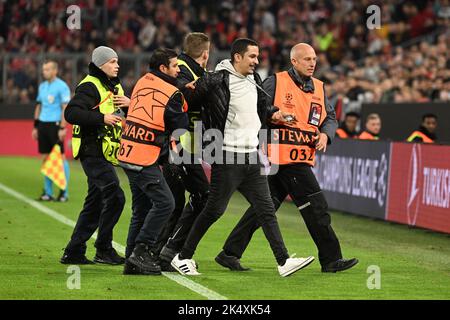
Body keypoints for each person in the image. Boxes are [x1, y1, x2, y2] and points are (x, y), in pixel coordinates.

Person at [171, 38, 315, 277]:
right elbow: (185, 101)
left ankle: (283, 261)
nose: (256, 61)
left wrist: (276, 114)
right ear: (237, 57)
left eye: (257, 57)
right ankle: (182, 256)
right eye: (252, 57)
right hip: (227, 154)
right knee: (214, 210)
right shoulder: (216, 80)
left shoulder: (254, 80)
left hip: (251, 155)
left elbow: (260, 108)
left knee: (266, 209)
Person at [217, 43, 358, 273]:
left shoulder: (319, 88)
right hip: (283, 158)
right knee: (316, 206)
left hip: (298, 157)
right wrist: (272, 118)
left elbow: (330, 117)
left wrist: (325, 134)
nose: (313, 63)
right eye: (307, 59)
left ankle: (230, 252)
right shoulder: (276, 81)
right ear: (294, 61)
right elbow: (257, 107)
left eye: (314, 59)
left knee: (265, 207)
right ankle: (331, 259)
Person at [118, 48, 189, 275]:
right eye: (175, 65)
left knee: (141, 208)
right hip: (144, 155)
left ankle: (131, 260)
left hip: (127, 151)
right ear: (163, 68)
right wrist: (183, 98)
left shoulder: (142, 81)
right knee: (166, 203)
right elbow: (180, 125)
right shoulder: (172, 92)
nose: (178, 69)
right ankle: (142, 251)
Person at [60, 46, 129, 265]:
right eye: (112, 62)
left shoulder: (112, 85)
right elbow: (71, 113)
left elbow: (118, 113)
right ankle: (103, 248)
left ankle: (74, 251)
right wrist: (102, 118)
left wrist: (128, 105)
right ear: (100, 65)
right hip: (92, 150)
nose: (117, 65)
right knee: (116, 196)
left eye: (117, 61)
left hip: (103, 151)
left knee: (95, 202)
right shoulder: (90, 85)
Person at [157, 33, 211, 269]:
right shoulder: (182, 70)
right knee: (197, 198)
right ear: (206, 53)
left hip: (186, 144)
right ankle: (166, 252)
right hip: (179, 144)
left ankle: (159, 252)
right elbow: (169, 85)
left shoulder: (195, 72)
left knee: (178, 201)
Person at [32, 60, 71, 202]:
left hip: (55, 125)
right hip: (43, 125)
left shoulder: (62, 86)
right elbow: (38, 106)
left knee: (60, 158)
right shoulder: (42, 86)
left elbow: (65, 108)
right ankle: (48, 192)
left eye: (47, 69)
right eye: (44, 69)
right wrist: (35, 126)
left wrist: (62, 127)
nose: (44, 72)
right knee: (47, 158)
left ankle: (63, 192)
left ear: (55, 70)